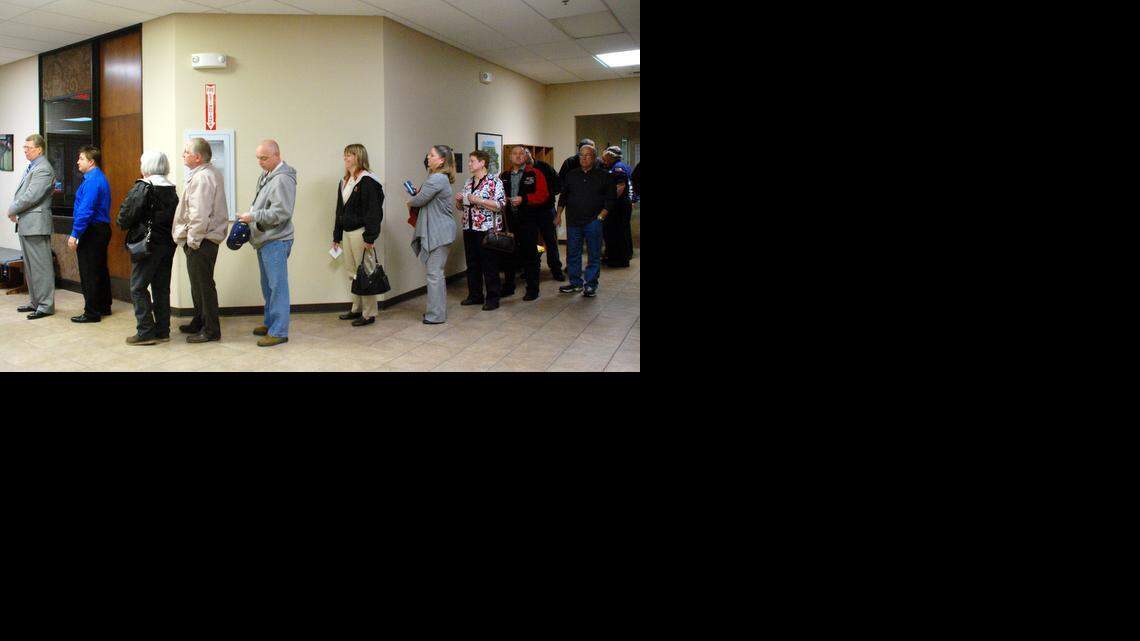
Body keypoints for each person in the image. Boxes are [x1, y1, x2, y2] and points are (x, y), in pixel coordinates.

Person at [235, 140, 296, 347]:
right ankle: (271, 323)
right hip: (266, 239)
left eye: (264, 158)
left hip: (276, 240)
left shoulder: (282, 180)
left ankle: (279, 331)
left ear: (277, 155)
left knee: (277, 286)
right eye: (258, 158)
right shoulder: (267, 175)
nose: (260, 162)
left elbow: (282, 212)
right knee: (268, 286)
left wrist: (253, 216)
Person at [116, 150, 179, 345]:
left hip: (147, 245)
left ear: (146, 166)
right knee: (161, 288)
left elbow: (124, 218)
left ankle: (145, 331)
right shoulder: (171, 189)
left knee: (137, 287)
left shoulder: (143, 187)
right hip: (168, 244)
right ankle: (162, 330)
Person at [173, 137, 229, 343]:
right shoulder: (205, 173)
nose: (183, 155)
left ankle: (211, 330)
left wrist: (193, 241)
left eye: (186, 152)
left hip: (202, 240)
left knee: (204, 285)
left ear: (197, 157)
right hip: (202, 238)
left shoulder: (203, 177)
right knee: (197, 284)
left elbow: (199, 214)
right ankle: (199, 320)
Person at [332, 143, 384, 327]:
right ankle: (356, 308)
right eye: (345, 155)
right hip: (347, 233)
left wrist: (370, 237)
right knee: (353, 273)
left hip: (361, 234)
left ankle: (369, 313)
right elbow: (340, 210)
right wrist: (336, 236)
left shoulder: (368, 181)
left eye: (349, 155)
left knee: (366, 272)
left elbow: (374, 212)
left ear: (358, 157)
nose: (345, 158)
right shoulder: (345, 181)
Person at [407, 144, 457, 325]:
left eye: (432, 155)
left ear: (442, 160)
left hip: (439, 232)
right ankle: (436, 312)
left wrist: (410, 201)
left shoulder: (437, 179)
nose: (428, 158)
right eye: (428, 155)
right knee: (437, 274)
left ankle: (436, 315)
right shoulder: (438, 178)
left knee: (434, 274)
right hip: (441, 231)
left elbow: (419, 200)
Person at [7, 134, 56, 320]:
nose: (25, 150)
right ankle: (35, 301)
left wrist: (12, 209)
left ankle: (45, 305)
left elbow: (31, 196)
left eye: (28, 147)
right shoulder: (33, 166)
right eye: (24, 147)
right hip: (28, 223)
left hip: (36, 224)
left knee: (41, 266)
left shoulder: (43, 169)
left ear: (39, 149)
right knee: (30, 266)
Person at [556, 145, 612, 298]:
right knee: (573, 253)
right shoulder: (571, 175)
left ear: (594, 158)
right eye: (581, 155)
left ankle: (591, 284)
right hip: (574, 221)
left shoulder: (603, 175)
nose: (584, 158)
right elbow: (564, 196)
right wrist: (559, 214)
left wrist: (601, 216)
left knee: (593, 254)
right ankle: (575, 283)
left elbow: (610, 199)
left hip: (593, 221)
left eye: (587, 155)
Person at [455, 149, 505, 310]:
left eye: (472, 161)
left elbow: (500, 205)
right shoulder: (468, 182)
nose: (469, 164)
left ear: (482, 163)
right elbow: (463, 206)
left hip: (486, 229)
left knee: (489, 264)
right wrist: (459, 201)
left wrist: (479, 199)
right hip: (469, 227)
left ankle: (492, 297)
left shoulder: (494, 182)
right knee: (472, 263)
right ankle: (475, 295)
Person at [69, 145, 113, 323]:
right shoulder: (96, 178)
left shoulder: (93, 181)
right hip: (99, 229)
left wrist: (75, 233)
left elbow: (85, 210)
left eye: (81, 158)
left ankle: (92, 312)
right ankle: (103, 306)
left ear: (91, 161)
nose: (78, 162)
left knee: (90, 271)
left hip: (92, 230)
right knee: (99, 269)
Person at [500, 145, 548, 301]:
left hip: (528, 221)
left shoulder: (535, 174)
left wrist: (524, 199)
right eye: (515, 153)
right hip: (509, 222)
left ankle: (532, 289)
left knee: (530, 255)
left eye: (521, 153)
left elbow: (543, 195)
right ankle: (508, 287)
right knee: (508, 254)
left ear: (526, 157)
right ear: (510, 157)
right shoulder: (504, 176)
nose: (518, 156)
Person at [525, 148, 564, 281]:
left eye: (526, 154)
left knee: (550, 241)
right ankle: (533, 267)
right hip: (529, 212)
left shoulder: (544, 167)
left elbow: (559, 184)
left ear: (531, 155)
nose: (524, 158)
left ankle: (555, 269)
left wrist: (548, 195)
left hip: (546, 211)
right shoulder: (521, 171)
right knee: (535, 242)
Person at [600, 145, 633, 268]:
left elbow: (620, 188)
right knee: (620, 232)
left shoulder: (618, 168)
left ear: (611, 156)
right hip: (621, 205)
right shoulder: (620, 166)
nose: (604, 160)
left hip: (619, 206)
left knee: (618, 233)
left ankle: (619, 259)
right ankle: (616, 256)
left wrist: (609, 201)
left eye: (605, 157)